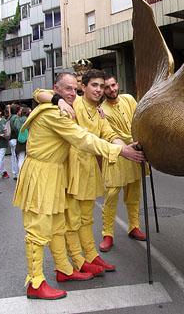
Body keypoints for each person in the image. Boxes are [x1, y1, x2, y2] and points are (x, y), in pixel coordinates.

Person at [13, 73, 145, 300]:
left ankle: (64, 269)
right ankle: (35, 282)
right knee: (38, 229)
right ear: (57, 89)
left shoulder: (69, 107)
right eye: (68, 90)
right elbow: (83, 138)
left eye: (74, 90)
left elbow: (103, 134)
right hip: (42, 173)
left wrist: (124, 144)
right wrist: (121, 151)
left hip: (54, 172)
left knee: (56, 225)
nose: (72, 94)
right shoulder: (56, 112)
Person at [34, 69, 122, 274]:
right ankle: (77, 260)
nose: (99, 90)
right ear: (84, 87)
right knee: (71, 221)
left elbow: (109, 134)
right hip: (71, 170)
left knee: (87, 218)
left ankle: (90, 255)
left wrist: (127, 147)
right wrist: (58, 100)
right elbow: (38, 93)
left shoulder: (98, 111)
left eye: (102, 86)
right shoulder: (73, 102)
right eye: (95, 85)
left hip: (90, 170)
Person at [99, 73, 147, 252]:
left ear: (117, 84)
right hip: (117, 155)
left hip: (135, 154)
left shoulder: (128, 99)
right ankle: (107, 234)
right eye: (107, 87)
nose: (111, 90)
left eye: (113, 85)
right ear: (103, 90)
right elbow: (111, 135)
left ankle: (134, 227)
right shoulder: (102, 109)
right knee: (111, 195)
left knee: (134, 193)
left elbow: (139, 119)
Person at [7, 104, 22, 180]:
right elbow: (17, 128)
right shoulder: (16, 118)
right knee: (18, 157)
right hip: (15, 138)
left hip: (10, 138)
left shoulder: (9, 117)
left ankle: (14, 173)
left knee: (13, 157)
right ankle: (17, 173)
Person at [15, 107, 30, 171]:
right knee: (28, 157)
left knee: (20, 158)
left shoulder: (18, 120)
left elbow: (16, 128)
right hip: (28, 140)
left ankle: (20, 172)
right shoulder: (29, 119)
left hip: (20, 140)